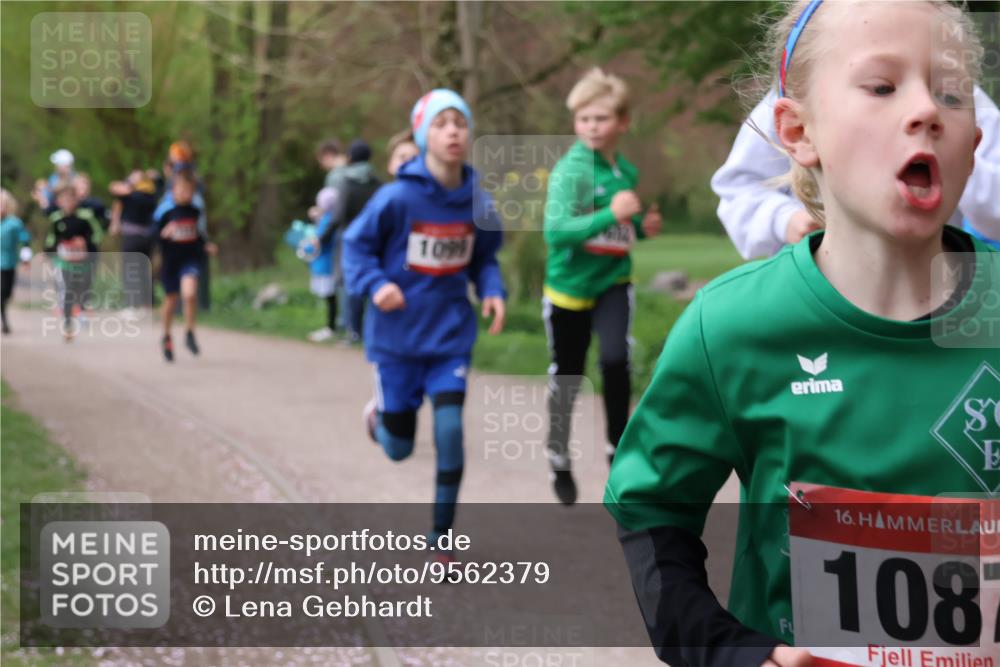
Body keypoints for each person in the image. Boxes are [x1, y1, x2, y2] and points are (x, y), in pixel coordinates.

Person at [605, 2, 998, 667]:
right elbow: (650, 514)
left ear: (977, 138)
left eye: (952, 93)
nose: (927, 109)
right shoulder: (731, 326)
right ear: (797, 131)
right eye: (881, 86)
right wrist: (737, 653)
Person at [343, 89, 506, 562]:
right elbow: (355, 248)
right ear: (422, 134)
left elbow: (486, 259)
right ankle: (379, 419)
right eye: (441, 123)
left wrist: (493, 290)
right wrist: (376, 285)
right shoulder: (395, 197)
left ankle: (441, 539)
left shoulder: (479, 201)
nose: (453, 130)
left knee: (451, 429)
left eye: (460, 122)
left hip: (449, 338)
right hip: (396, 341)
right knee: (398, 448)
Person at [711, 73, 1000, 259]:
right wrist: (787, 220)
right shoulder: (801, 88)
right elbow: (739, 190)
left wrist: (951, 152)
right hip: (818, 293)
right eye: (881, 88)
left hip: (939, 293)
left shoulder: (958, 91)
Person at [541, 67, 663, 505]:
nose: (591, 127)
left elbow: (622, 230)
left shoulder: (623, 169)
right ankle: (558, 453)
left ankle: (618, 451)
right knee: (569, 376)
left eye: (601, 118)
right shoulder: (570, 172)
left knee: (616, 361)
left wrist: (643, 228)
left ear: (623, 122)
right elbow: (555, 232)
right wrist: (611, 213)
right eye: (583, 119)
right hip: (569, 290)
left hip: (613, 281)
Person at [321, 139, 382, 345]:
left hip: (349, 240)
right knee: (373, 282)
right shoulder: (378, 183)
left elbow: (338, 216)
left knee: (349, 284)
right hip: (376, 238)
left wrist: (323, 237)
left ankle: (352, 330)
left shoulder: (345, 183)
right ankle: (370, 329)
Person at [154, 170, 216, 361]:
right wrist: (163, 233)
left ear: (193, 192)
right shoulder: (164, 211)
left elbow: (199, 235)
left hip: (190, 259)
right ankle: (166, 335)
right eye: (180, 190)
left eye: (188, 191)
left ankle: (189, 332)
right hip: (171, 261)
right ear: (173, 191)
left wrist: (206, 245)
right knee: (171, 300)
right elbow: (152, 235)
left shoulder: (195, 211)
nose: (184, 194)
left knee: (189, 294)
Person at [44, 184, 103, 341]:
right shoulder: (56, 219)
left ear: (76, 200)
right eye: (64, 200)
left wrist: (84, 242)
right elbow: (51, 239)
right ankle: (68, 323)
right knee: (68, 290)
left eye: (70, 199)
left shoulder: (85, 217)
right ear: (59, 202)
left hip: (85, 261)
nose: (67, 203)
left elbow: (97, 233)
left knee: (83, 287)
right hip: (65, 262)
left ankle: (82, 310)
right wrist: (51, 251)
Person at [307, 139, 348, 342]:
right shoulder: (350, 170)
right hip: (346, 232)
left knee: (338, 281)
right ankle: (344, 322)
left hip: (338, 235)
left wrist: (321, 216)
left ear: (327, 156)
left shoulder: (336, 177)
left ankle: (340, 323)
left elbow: (334, 209)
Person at [109, 170, 160, 312]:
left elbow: (113, 188)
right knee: (144, 269)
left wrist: (129, 184)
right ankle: (146, 304)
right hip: (148, 237)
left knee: (130, 270)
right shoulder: (152, 195)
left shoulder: (130, 195)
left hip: (131, 237)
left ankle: (132, 304)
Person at [1, 188, 31, 334]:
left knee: (6, 293)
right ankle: (5, 322)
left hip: (9, 263)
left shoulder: (14, 223)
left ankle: (4, 318)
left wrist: (26, 259)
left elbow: (25, 240)